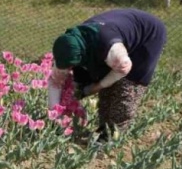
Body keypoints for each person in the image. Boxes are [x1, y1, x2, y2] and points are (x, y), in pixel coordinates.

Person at [47, 8, 167, 141]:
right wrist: (55, 114)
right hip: (114, 31)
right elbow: (55, 81)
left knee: (125, 90)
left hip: (147, 36)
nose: (69, 68)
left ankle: (113, 136)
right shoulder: (66, 46)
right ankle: (104, 129)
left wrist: (96, 87)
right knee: (104, 94)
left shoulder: (110, 49)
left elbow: (124, 67)